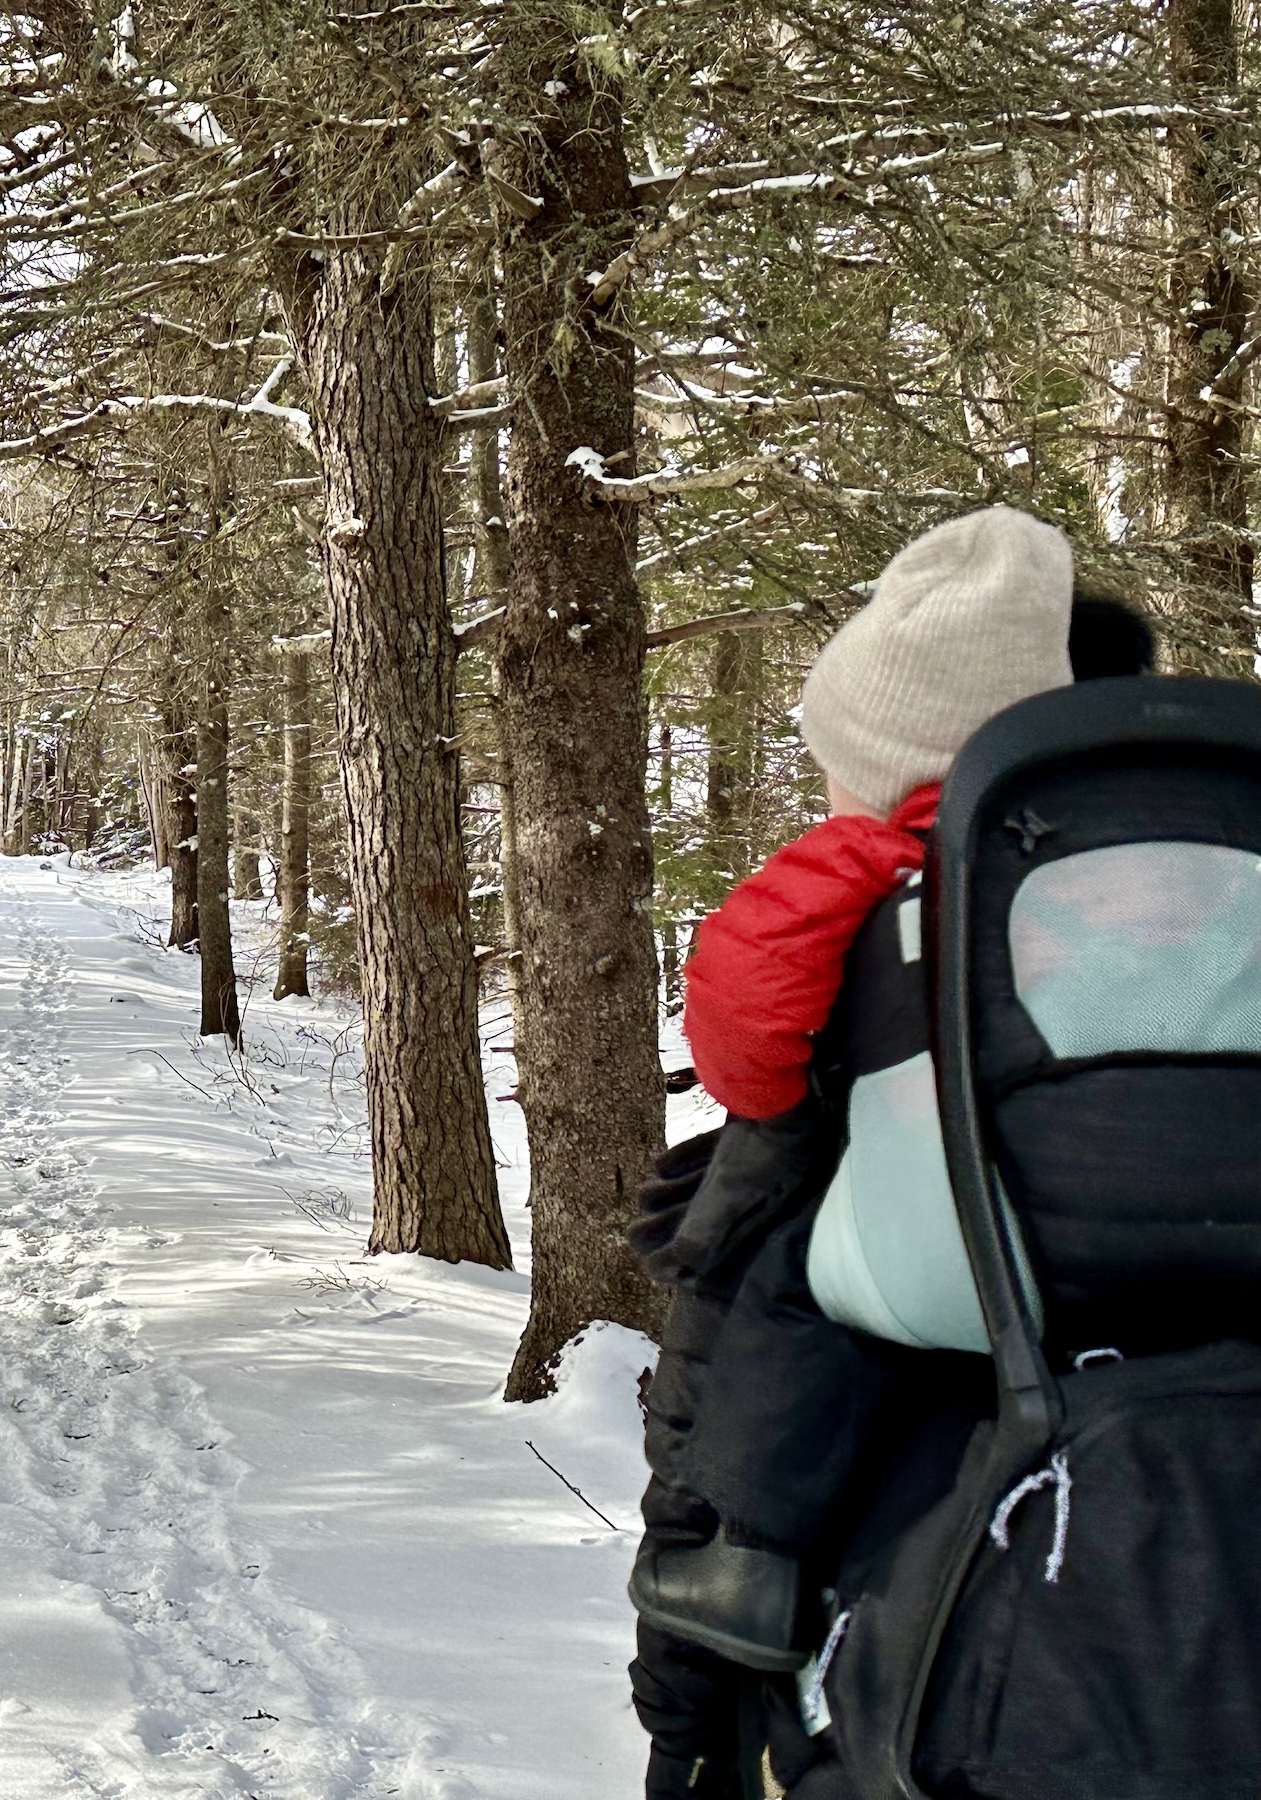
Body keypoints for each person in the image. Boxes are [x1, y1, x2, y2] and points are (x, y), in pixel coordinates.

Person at [623, 512, 1161, 1796]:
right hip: (1118, 1234)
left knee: (787, 1291)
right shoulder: (1153, 874)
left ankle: (742, 1559)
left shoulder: (866, 860)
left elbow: (745, 1033)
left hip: (928, 1232)